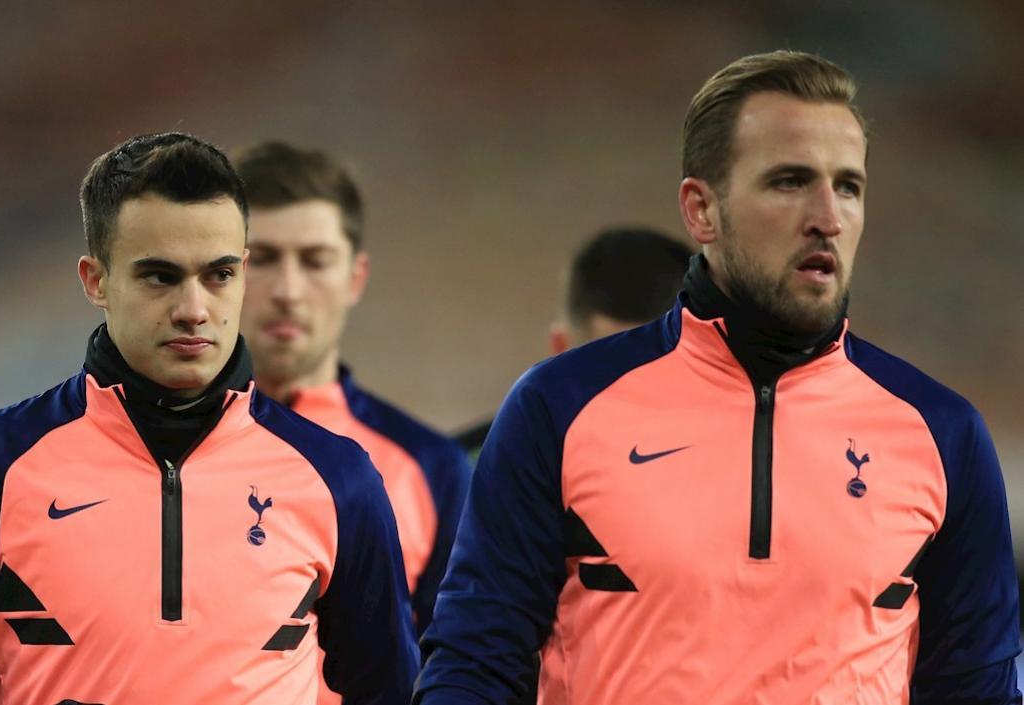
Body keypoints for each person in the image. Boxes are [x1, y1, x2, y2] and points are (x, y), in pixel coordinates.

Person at [415, 50, 1020, 705]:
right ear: (701, 211)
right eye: (790, 181)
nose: (828, 216)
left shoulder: (943, 435)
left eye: (848, 186)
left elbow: (977, 690)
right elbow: (475, 664)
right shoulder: (558, 406)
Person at [0, 132, 417, 705]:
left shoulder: (337, 477)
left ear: (244, 273)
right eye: (160, 277)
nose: (193, 310)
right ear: (95, 280)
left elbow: (391, 694)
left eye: (219, 275)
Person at [235, 141, 471, 640]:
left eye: (315, 261)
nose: (288, 291)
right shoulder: (158, 456)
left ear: (355, 277)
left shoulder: (432, 470)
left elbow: (454, 665)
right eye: (262, 259)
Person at [454, 226, 693, 457]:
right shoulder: (460, 472)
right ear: (561, 353)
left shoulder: (716, 455)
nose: (637, 402)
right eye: (610, 374)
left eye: (660, 375)